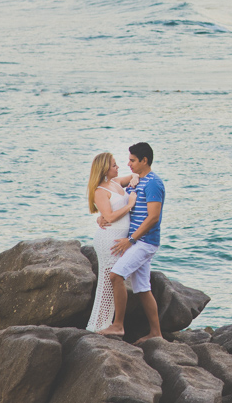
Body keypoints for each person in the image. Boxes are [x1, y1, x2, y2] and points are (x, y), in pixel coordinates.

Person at [97, 141, 165, 343]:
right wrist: (101, 216)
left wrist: (131, 240)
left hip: (144, 242)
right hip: (137, 241)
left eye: (133, 160)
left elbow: (153, 217)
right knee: (143, 289)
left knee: (116, 275)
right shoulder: (138, 181)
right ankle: (156, 333)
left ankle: (118, 325)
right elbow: (115, 199)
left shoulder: (153, 183)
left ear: (144, 160)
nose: (129, 164)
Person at [85, 153, 137, 331]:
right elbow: (110, 217)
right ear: (105, 169)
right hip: (108, 240)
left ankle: (106, 324)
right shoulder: (100, 191)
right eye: (114, 165)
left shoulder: (115, 182)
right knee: (108, 282)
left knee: (111, 281)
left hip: (118, 238)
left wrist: (135, 179)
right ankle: (100, 325)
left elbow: (135, 175)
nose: (118, 167)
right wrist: (129, 204)